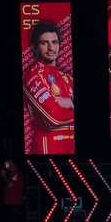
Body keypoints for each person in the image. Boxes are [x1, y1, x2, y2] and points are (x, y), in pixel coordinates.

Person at [24, 20, 75, 153]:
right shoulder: (32, 74)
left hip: (71, 148)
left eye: (54, 42)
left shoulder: (67, 78)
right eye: (44, 43)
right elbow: (54, 117)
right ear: (35, 47)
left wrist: (69, 102)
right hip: (47, 150)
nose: (51, 48)